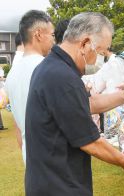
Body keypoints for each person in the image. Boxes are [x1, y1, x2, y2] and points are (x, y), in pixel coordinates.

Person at [25, 12, 124, 196]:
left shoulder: (53, 68)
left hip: (49, 181)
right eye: (99, 52)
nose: (98, 59)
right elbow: (90, 141)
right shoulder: (61, 77)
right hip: (59, 186)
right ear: (84, 44)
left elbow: (87, 104)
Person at [5, 10, 55, 164]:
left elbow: (18, 127)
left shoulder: (12, 74)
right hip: (53, 159)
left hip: (31, 159)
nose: (54, 40)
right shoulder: (47, 68)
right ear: (39, 34)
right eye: (52, 35)